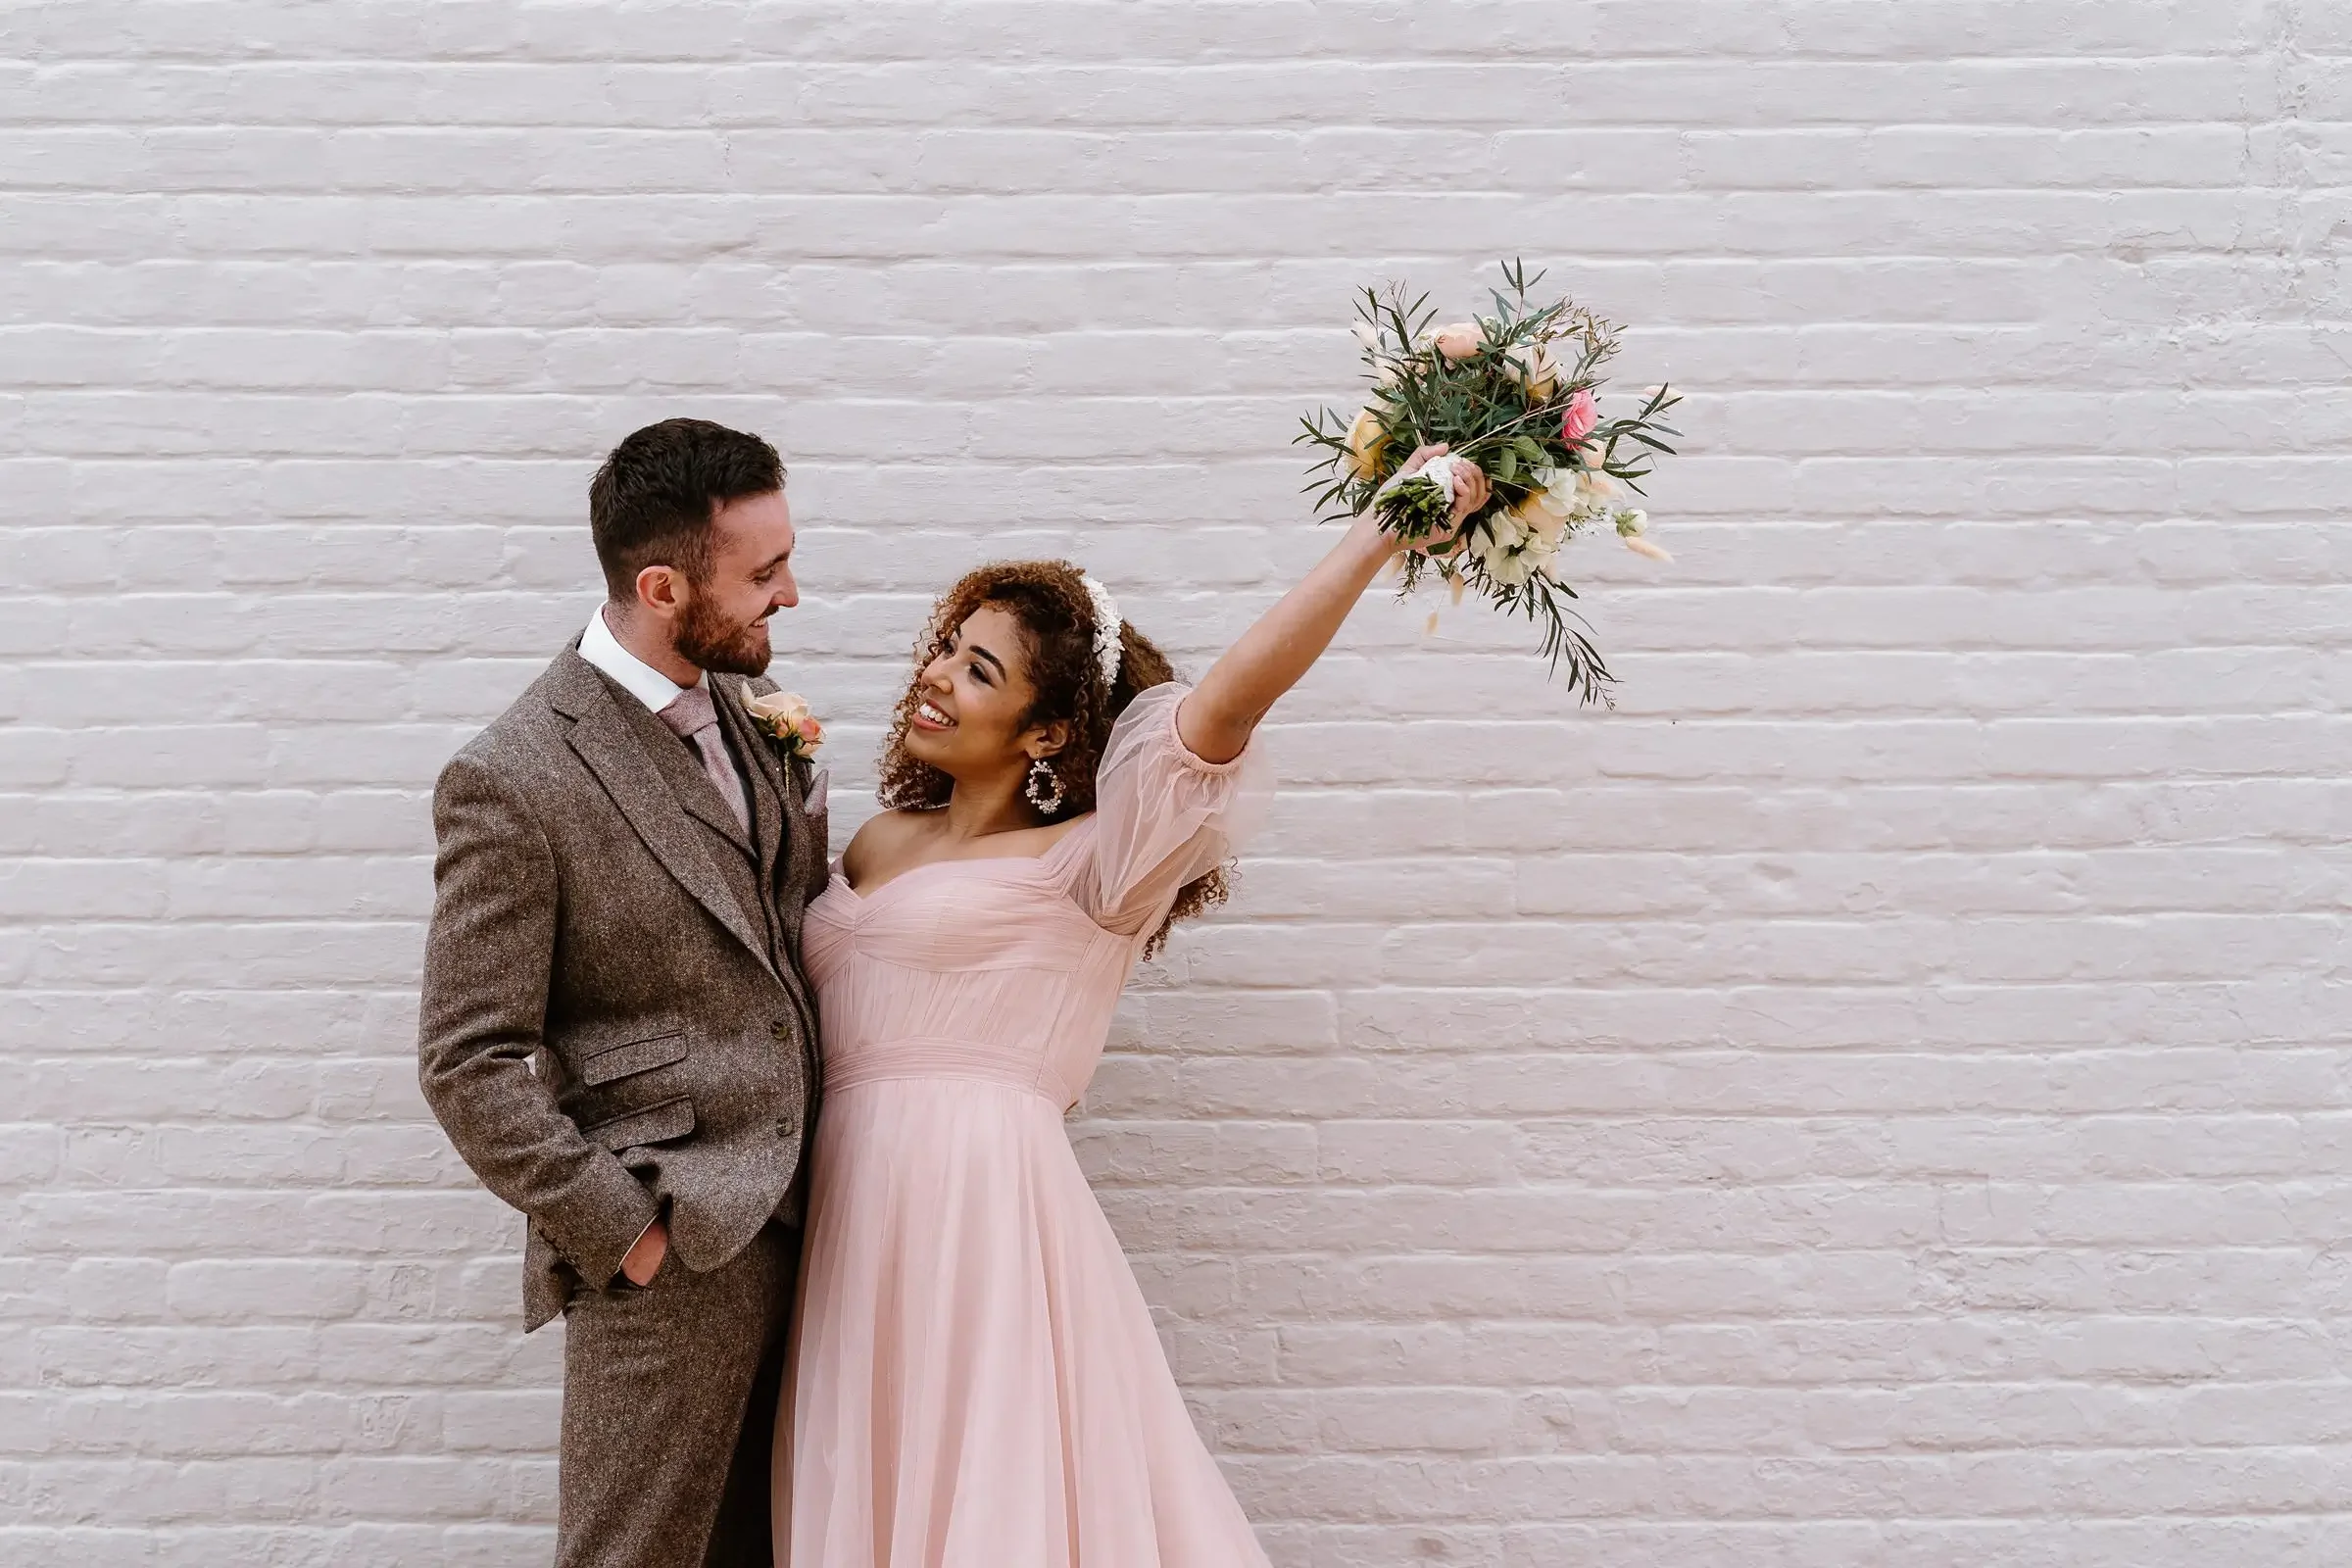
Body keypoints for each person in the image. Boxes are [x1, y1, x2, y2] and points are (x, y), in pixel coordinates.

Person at [775, 446, 1488, 1564]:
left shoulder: (1099, 864)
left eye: (978, 670)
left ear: (1049, 731)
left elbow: (1226, 706)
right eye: (946, 650)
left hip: (986, 1211)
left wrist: (1378, 532)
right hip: (846, 1211)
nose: (937, 677)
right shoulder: (871, 841)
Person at [417, 417, 831, 1568]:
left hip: (816, 1230)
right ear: (662, 588)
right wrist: (627, 1232)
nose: (790, 595)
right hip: (672, 1250)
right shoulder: (512, 776)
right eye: (763, 573)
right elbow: (466, 1059)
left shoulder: (760, 712)